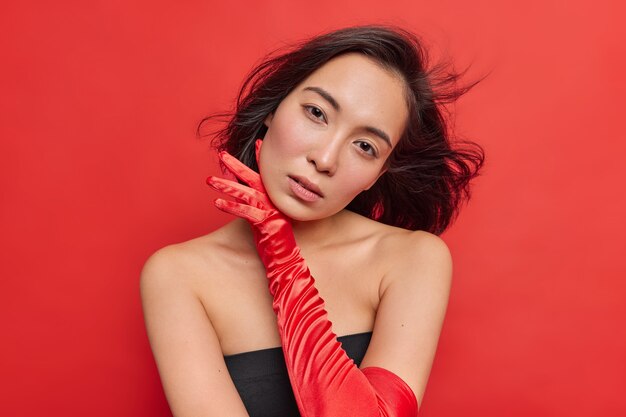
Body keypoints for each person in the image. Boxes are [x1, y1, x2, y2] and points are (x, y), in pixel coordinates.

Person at [140, 25, 485, 417]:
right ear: (272, 107)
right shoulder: (179, 275)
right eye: (317, 113)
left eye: (365, 146)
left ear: (380, 172)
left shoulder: (412, 258)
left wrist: (285, 266)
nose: (325, 158)